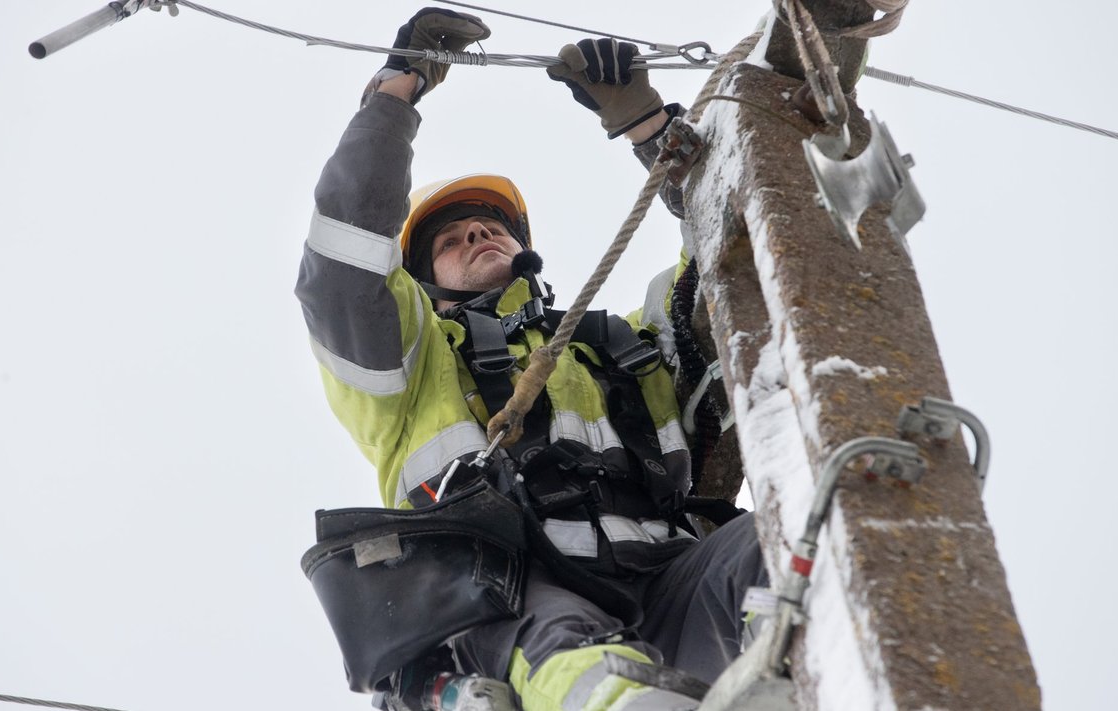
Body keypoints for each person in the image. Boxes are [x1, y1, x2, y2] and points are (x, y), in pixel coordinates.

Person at [296, 8, 766, 711]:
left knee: (783, 542)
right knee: (568, 651)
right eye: (452, 238)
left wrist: (647, 127)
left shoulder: (624, 343)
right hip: (512, 596)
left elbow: (737, 253)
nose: (479, 231)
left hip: (676, 582)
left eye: (492, 225)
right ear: (423, 282)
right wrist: (394, 93)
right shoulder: (411, 366)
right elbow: (346, 266)